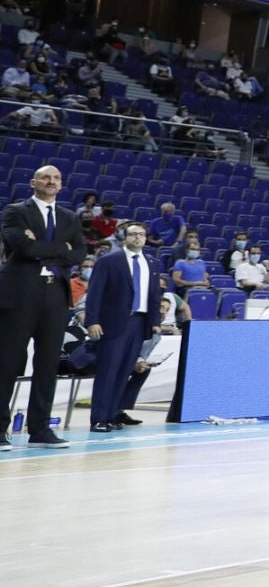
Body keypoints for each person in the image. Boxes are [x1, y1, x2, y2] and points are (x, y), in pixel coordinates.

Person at [0, 165, 87, 449]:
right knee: (8, 363)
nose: (51, 181)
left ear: (61, 185)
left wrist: (43, 247)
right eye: (46, 177)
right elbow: (22, 248)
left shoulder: (70, 217)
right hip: (20, 295)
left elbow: (80, 254)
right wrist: (60, 249)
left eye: (56, 178)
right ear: (33, 182)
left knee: (48, 365)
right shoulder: (15, 211)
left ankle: (40, 430)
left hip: (56, 297)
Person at [84, 221, 158, 432]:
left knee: (125, 370)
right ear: (125, 237)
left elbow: (154, 294)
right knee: (108, 370)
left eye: (142, 235)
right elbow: (95, 292)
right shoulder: (109, 260)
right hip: (113, 322)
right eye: (133, 234)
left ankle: (113, 414)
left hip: (139, 321)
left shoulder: (151, 262)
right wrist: (92, 320)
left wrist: (155, 322)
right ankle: (98, 418)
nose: (138, 238)